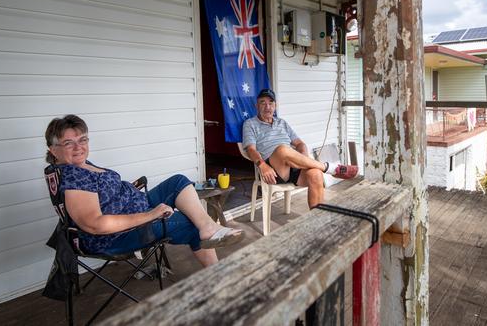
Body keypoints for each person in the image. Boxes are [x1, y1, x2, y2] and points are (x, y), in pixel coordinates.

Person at [45, 114, 243, 267]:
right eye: (68, 143)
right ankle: (219, 273)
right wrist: (150, 215)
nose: (78, 147)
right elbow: (95, 225)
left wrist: (127, 191)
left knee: (178, 181)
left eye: (83, 140)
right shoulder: (73, 177)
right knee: (189, 222)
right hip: (116, 236)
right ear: (53, 150)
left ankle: (208, 227)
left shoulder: (82, 165)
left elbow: (104, 195)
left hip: (135, 208)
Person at [242, 89, 358, 208]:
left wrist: (303, 158)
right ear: (257, 106)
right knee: (282, 149)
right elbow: (251, 150)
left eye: (271, 103)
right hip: (274, 170)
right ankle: (330, 168)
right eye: (263, 103)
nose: (267, 107)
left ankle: (317, 218)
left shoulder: (282, 122)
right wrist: (262, 165)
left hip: (293, 166)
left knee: (316, 174)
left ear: (275, 106)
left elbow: (300, 144)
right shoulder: (250, 124)